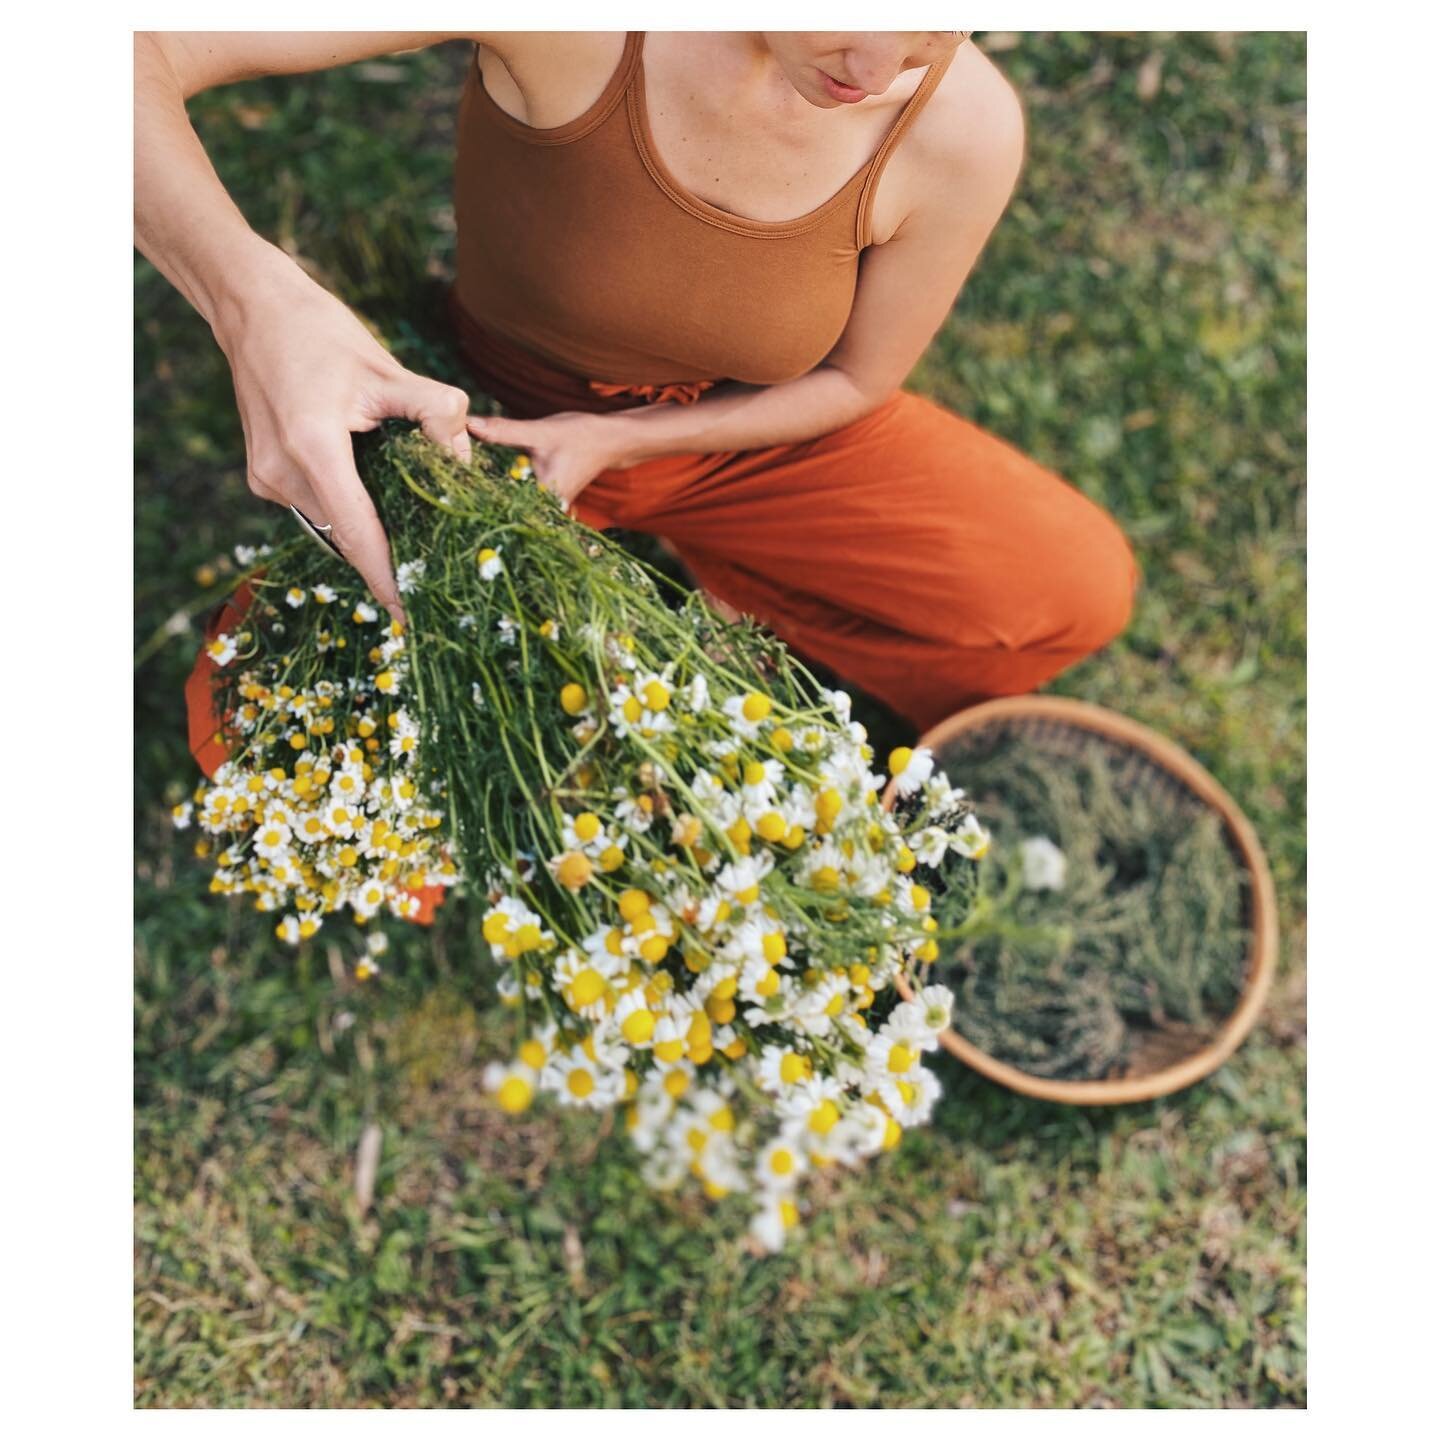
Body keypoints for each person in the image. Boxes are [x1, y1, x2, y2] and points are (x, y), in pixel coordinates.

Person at [135, 30, 1139, 738]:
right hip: (485, 424)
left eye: (935, 25)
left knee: (1072, 593)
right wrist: (252, 299)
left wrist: (622, 444)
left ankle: (733, 589)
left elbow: (858, 378)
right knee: (270, 726)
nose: (879, 70)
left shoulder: (965, 126)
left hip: (736, 429)